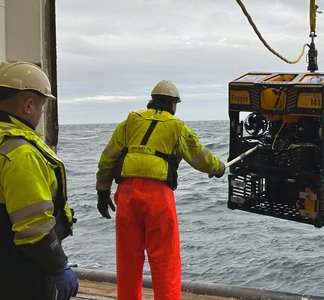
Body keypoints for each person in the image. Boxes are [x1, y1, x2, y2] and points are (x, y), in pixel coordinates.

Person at [95, 79, 226, 300]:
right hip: (158, 199)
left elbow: (108, 158)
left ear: (152, 101)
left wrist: (102, 192)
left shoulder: (130, 121)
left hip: (126, 196)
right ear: (174, 103)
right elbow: (200, 157)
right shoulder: (176, 126)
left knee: (128, 259)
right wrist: (219, 169)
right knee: (165, 261)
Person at [0, 62, 78, 299]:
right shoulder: (22, 153)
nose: (41, 112)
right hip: (21, 268)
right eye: (42, 106)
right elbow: (33, 224)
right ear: (29, 105)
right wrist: (58, 265)